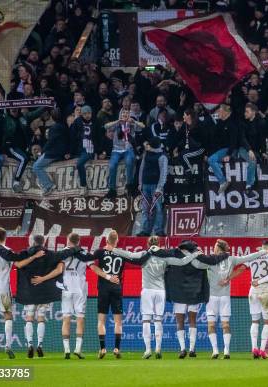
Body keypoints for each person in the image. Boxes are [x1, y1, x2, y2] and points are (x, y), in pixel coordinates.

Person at [111, 236, 201, 359]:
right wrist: (194, 255)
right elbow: (182, 262)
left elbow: (129, 254)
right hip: (160, 291)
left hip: (147, 291)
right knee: (158, 320)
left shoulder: (144, 254)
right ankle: (158, 349)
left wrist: (113, 249)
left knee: (146, 320)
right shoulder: (164, 256)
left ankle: (148, 350)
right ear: (159, 243)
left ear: (148, 244)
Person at [0, 234, 78, 358]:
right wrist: (77, 248)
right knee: (41, 318)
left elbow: (15, 262)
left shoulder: (25, 253)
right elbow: (64, 255)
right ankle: (40, 345)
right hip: (45, 292)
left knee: (29, 318)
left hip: (29, 291)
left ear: (33, 242)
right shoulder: (51, 254)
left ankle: (29, 344)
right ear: (43, 242)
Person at [190, 239, 267, 359]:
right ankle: (219, 351)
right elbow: (248, 257)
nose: (213, 248)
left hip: (218, 297)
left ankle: (223, 351)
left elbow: (195, 263)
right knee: (219, 324)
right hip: (217, 297)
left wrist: (195, 253)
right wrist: (263, 252)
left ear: (218, 248)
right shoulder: (215, 260)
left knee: (217, 325)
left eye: (215, 246)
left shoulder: (222, 259)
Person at [0, 228, 44, 359]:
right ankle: (7, 346)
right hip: (3, 288)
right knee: (8, 316)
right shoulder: (8, 251)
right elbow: (19, 264)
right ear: (5, 237)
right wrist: (34, 256)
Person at [92, 230, 126, 359]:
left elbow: (93, 267)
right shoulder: (121, 253)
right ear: (117, 241)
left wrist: (107, 277)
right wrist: (113, 277)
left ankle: (102, 349)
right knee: (118, 322)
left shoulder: (99, 252)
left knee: (101, 320)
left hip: (103, 288)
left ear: (106, 240)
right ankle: (117, 348)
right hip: (117, 288)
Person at [104, 109, 144, 198]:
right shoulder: (117, 124)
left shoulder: (131, 124)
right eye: (123, 113)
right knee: (112, 165)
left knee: (130, 161)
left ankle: (129, 186)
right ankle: (112, 190)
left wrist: (134, 121)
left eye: (127, 113)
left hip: (128, 149)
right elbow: (106, 126)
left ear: (129, 115)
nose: (125, 114)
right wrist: (118, 121)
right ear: (120, 115)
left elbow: (143, 126)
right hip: (116, 150)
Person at [32, 109, 70, 195]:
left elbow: (51, 141)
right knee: (37, 161)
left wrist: (43, 151)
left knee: (36, 166)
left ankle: (49, 185)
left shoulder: (55, 127)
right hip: (59, 152)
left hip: (53, 153)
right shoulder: (64, 126)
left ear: (52, 118)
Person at [137, 137, 168, 237]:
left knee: (158, 208)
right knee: (145, 209)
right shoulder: (146, 154)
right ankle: (145, 230)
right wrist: (140, 183)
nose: (147, 146)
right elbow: (142, 169)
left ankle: (159, 230)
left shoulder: (162, 156)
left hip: (156, 186)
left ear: (152, 145)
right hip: (145, 185)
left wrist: (159, 188)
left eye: (149, 144)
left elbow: (163, 173)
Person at [206, 104, 240, 195]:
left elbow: (234, 142)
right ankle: (219, 165)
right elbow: (214, 139)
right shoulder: (220, 123)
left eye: (219, 110)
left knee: (211, 160)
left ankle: (223, 181)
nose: (217, 112)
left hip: (231, 150)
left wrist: (229, 154)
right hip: (222, 150)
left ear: (225, 112)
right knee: (211, 161)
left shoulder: (232, 124)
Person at [70, 105, 96, 195]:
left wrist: (99, 151)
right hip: (80, 148)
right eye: (85, 114)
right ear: (81, 114)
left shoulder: (96, 121)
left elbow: (99, 137)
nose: (87, 115)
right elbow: (72, 135)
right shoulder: (77, 121)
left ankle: (83, 186)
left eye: (89, 113)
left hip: (90, 149)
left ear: (91, 113)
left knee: (80, 164)